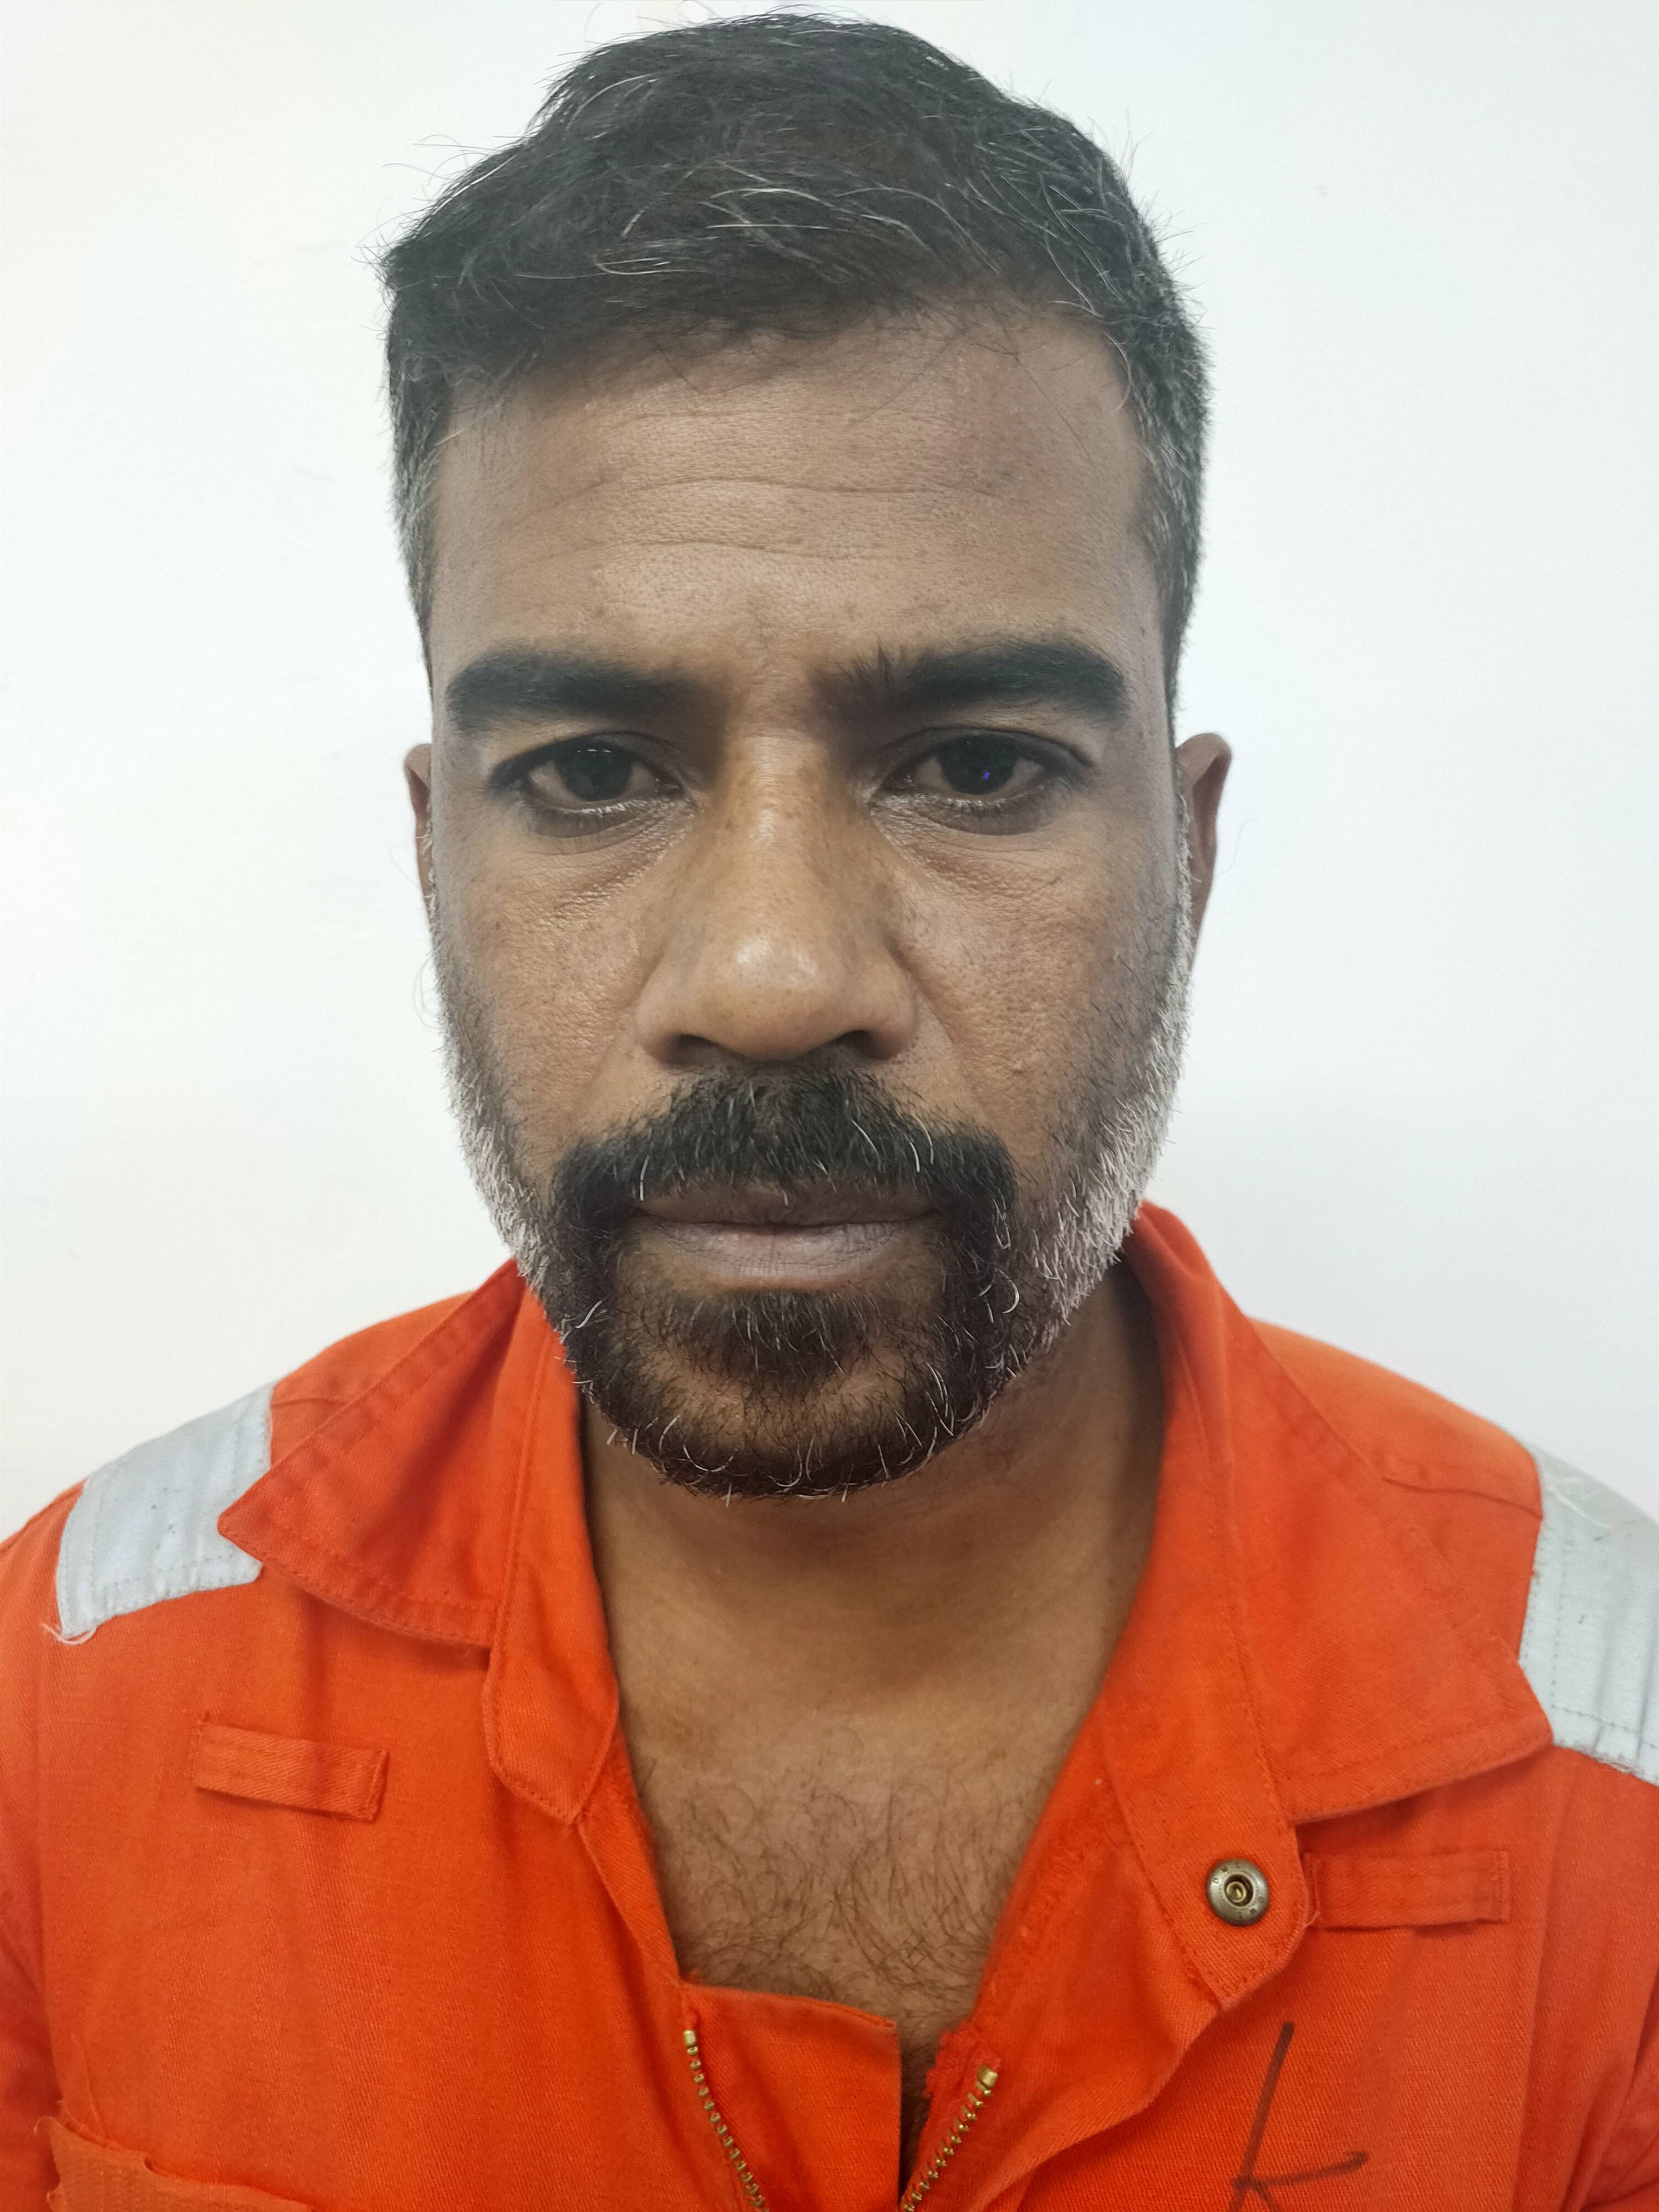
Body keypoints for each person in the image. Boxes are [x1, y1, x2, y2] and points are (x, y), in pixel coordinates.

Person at [3, 13, 1655, 2208]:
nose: (774, 980)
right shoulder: (58, 1703)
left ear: (1189, 857)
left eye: (973, 765)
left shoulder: (1618, 1788)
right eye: (593, 773)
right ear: (435, 860)